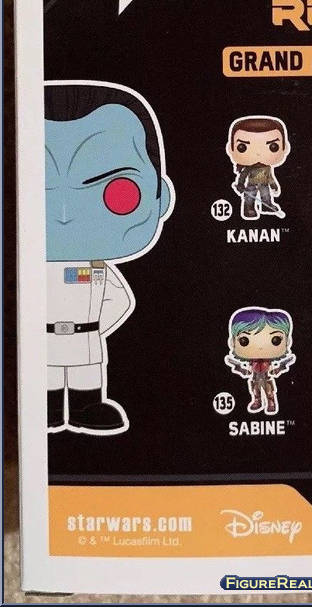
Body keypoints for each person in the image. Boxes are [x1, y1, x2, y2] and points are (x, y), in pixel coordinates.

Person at [45, 81, 174, 435]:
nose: (65, 214)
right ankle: (49, 409)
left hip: (86, 340)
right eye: (38, 192)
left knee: (87, 377)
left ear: (160, 197)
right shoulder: (26, 272)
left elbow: (120, 301)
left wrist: (92, 330)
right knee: (47, 379)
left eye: (117, 192)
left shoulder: (97, 268)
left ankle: (87, 406)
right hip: (44, 341)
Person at [225, 307, 295, 414]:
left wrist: (279, 368)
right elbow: (247, 370)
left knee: (269, 392)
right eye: (244, 340)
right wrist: (240, 368)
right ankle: (257, 402)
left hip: (267, 377)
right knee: (255, 392)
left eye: (276, 340)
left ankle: (271, 403)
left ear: (288, 341)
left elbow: (274, 369)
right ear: (232, 343)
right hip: (255, 377)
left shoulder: (268, 362)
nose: (260, 347)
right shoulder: (252, 362)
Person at [226, 117, 289, 219]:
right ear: (231, 148)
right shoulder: (249, 168)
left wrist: (274, 186)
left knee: (266, 196)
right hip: (252, 184)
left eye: (273, 146)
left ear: (285, 148)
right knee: (249, 197)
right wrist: (240, 184)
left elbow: (270, 177)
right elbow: (243, 175)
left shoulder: (267, 168)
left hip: (264, 184)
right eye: (242, 147)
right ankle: (249, 208)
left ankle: (266, 206)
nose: (258, 153)